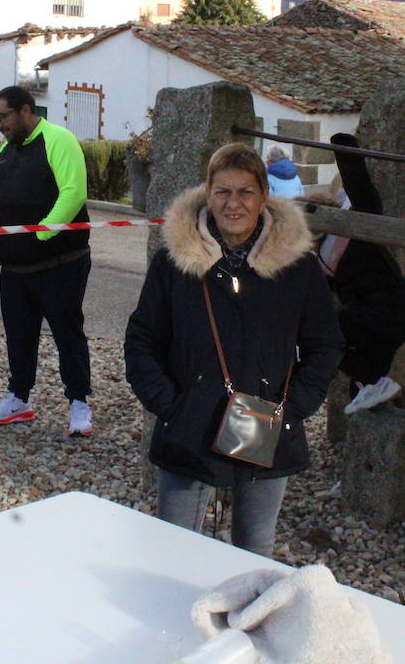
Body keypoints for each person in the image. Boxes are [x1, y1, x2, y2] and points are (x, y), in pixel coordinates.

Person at [124, 142, 342, 557]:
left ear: (263, 197)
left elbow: (325, 345)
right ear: (208, 194)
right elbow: (142, 340)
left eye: (245, 192)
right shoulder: (175, 263)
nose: (233, 203)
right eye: (222, 191)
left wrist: (292, 408)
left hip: (264, 421)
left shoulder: (297, 268)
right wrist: (171, 406)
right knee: (175, 549)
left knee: (254, 551)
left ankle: (243, 622)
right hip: (190, 423)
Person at [0, 85, 94, 436]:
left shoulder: (59, 140)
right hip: (15, 266)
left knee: (67, 333)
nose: (0, 125)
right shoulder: (6, 149)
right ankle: (19, 398)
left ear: (26, 110)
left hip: (60, 262)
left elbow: (74, 192)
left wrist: (40, 234)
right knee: (18, 333)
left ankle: (79, 404)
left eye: (4, 117)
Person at [307, 133, 405, 413]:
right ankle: (371, 389)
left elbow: (360, 186)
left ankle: (371, 384)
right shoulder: (325, 258)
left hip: (386, 313)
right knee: (364, 373)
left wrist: (344, 150)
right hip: (394, 315)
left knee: (322, 335)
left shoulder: (355, 230)